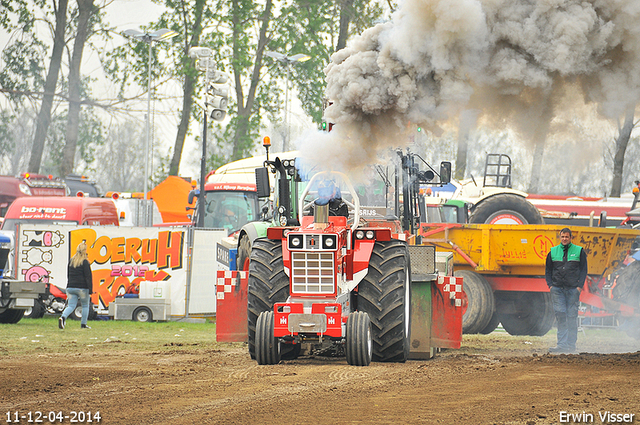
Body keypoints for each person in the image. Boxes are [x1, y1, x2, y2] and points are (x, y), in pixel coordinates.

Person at [545, 228, 588, 353]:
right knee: (561, 316)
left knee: (571, 316)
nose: (564, 239)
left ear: (571, 238)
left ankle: (570, 345)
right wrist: (551, 286)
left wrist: (579, 287)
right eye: (563, 236)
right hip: (557, 289)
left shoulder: (579, 251)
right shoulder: (553, 252)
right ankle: (562, 345)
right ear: (560, 237)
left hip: (572, 290)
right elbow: (548, 270)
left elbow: (583, 270)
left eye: (567, 237)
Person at [59, 241, 93, 330]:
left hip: (70, 287)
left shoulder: (71, 261)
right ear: (84, 251)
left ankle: (63, 317)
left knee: (70, 306)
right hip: (82, 288)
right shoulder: (85, 262)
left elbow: (68, 275)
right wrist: (90, 289)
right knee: (85, 305)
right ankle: (83, 324)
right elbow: (88, 277)